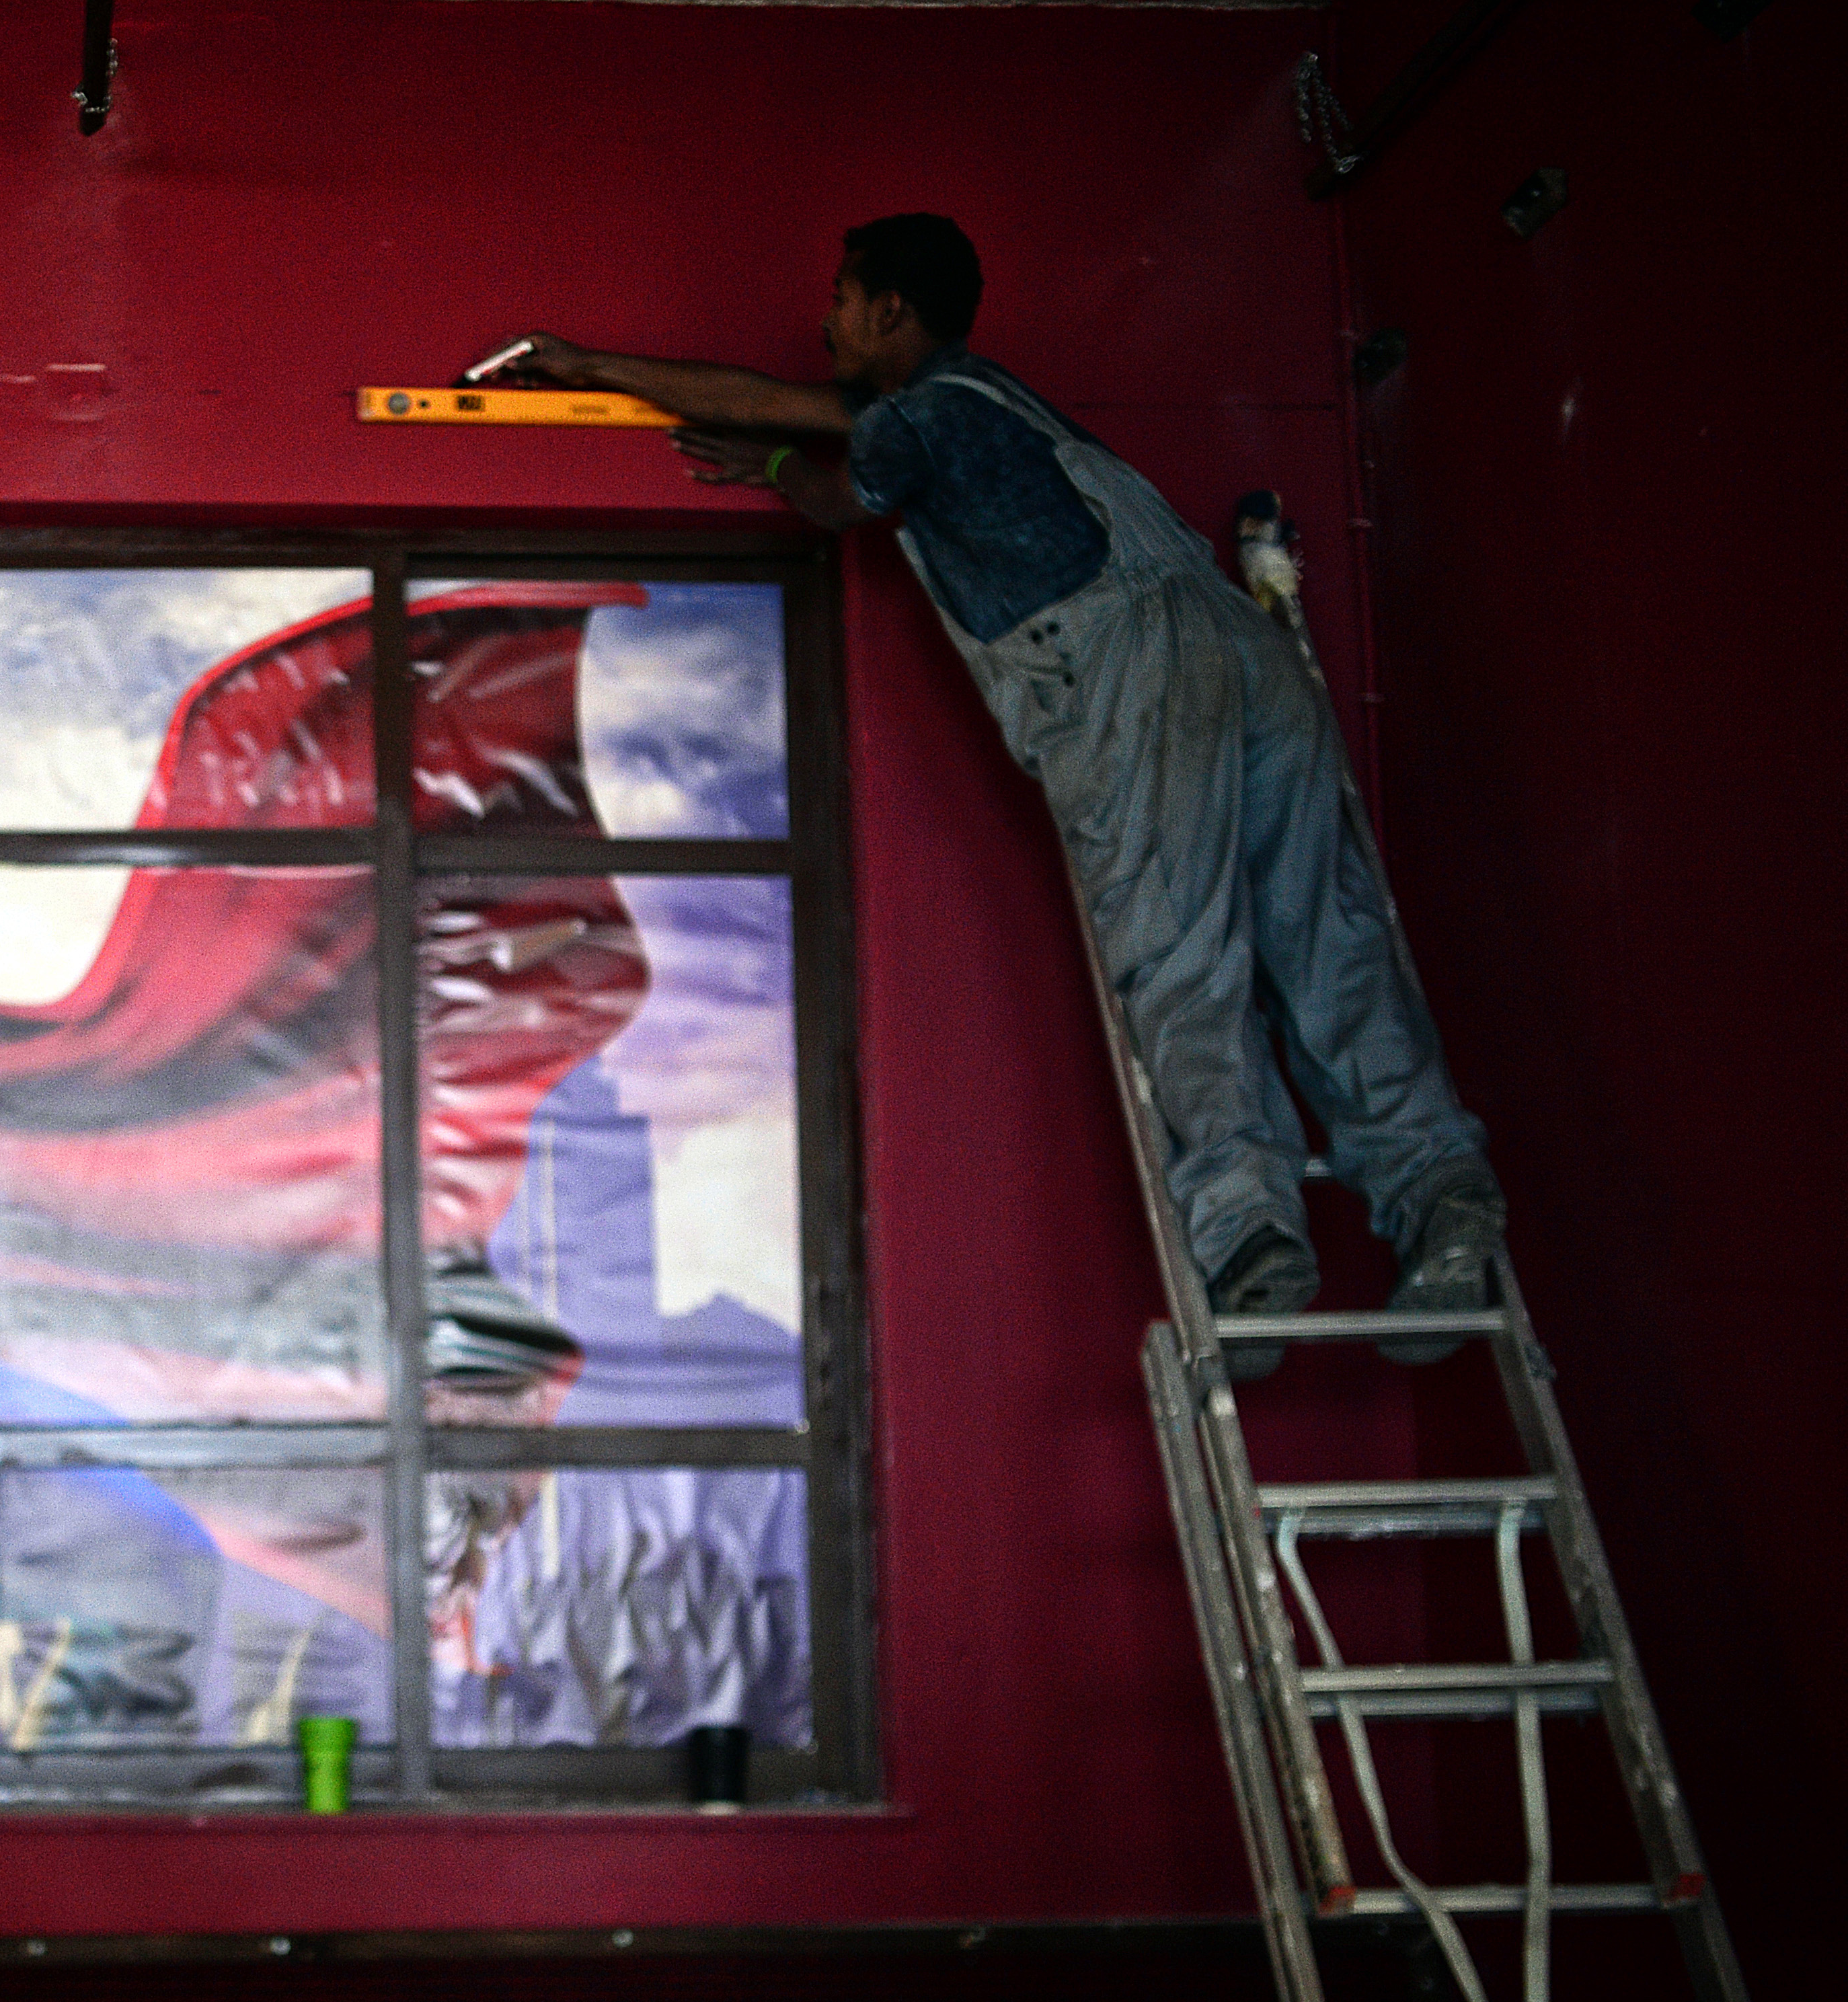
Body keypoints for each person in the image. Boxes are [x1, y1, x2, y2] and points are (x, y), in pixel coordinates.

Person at [494, 214, 1504, 1375]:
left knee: (1180, 959)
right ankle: (1443, 1199)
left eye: (841, 299)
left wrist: (654, 402)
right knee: (1326, 943)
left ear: (893, 316)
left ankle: (1253, 1241)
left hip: (1134, 675)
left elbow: (821, 476)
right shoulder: (1007, 401)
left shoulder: (924, 411)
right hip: (1243, 651)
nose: (827, 323)